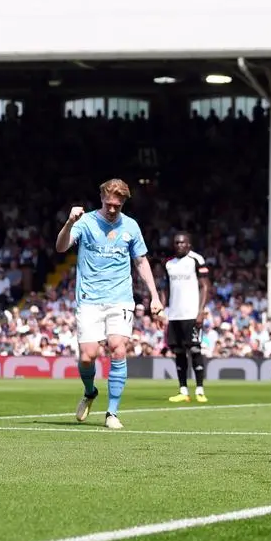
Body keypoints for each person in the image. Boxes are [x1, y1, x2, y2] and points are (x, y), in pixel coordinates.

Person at [55, 179, 163, 430]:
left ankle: (112, 413)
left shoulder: (131, 227)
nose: (112, 209)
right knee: (87, 357)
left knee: (118, 348)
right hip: (89, 298)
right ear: (101, 198)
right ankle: (90, 391)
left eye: (118, 204)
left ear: (124, 202)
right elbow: (61, 248)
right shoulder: (85, 222)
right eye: (108, 203)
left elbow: (141, 262)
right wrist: (70, 221)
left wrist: (155, 296)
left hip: (120, 298)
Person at [164, 232, 211, 403]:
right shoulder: (169, 264)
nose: (179, 245)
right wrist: (162, 310)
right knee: (178, 352)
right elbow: (166, 288)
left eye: (182, 243)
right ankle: (183, 390)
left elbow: (205, 287)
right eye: (176, 243)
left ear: (189, 245)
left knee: (195, 350)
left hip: (191, 313)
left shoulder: (196, 260)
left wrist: (201, 311)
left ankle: (200, 389)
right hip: (174, 315)